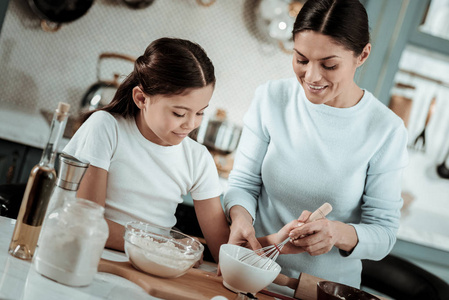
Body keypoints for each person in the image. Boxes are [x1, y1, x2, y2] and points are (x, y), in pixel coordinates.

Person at [223, 0, 408, 288]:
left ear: (362, 55)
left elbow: (384, 234)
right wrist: (240, 220)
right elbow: (244, 183)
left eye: (329, 65)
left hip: (322, 291)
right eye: (301, 59)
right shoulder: (272, 98)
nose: (311, 76)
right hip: (251, 272)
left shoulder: (386, 130)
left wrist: (336, 233)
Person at [63, 37, 230, 262]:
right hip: (92, 260)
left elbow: (224, 250)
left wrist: (273, 238)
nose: (190, 124)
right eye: (179, 113)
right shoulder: (106, 127)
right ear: (141, 98)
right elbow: (87, 223)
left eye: (200, 112)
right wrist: (165, 245)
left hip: (154, 269)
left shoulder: (198, 158)